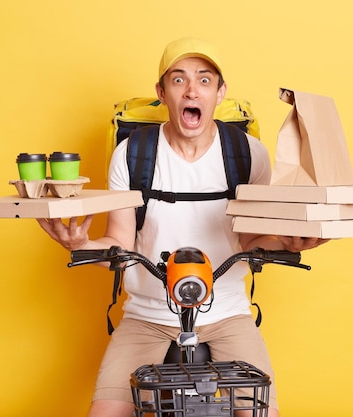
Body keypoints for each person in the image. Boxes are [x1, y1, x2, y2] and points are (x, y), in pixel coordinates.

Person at [37, 37, 328, 417]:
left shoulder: (246, 153)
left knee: (260, 412)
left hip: (227, 314)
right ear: (162, 92)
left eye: (205, 80)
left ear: (220, 92)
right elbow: (119, 245)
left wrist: (292, 242)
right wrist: (79, 244)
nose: (192, 89)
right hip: (147, 316)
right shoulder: (133, 153)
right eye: (179, 80)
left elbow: (253, 238)